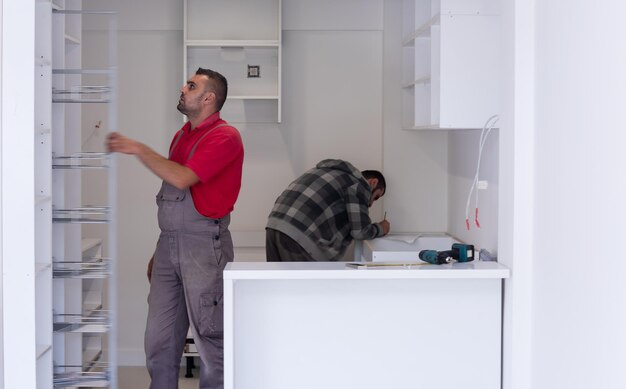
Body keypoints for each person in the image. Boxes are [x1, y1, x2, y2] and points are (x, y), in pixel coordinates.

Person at [106, 68, 244, 389]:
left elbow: (182, 178)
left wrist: (138, 148)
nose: (183, 88)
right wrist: (163, 249)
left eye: (192, 85)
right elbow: (172, 194)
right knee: (159, 340)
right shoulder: (183, 135)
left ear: (209, 98)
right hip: (170, 246)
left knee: (211, 341)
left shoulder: (225, 136)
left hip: (203, 248)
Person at [266, 159, 390, 261]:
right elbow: (361, 231)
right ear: (373, 182)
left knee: (279, 287)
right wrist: (381, 228)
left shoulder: (322, 171)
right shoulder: (359, 184)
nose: (371, 204)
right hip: (299, 237)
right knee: (305, 289)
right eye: (376, 197)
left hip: (274, 227)